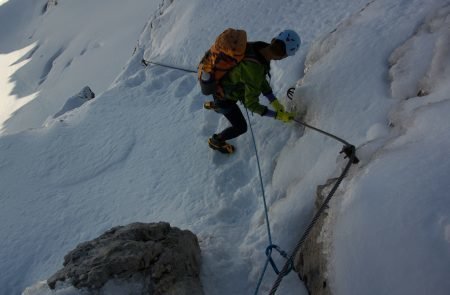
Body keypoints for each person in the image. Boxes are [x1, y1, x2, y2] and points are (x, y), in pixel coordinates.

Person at [204, 29, 301, 154]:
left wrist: (274, 101)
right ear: (284, 56)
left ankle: (216, 105)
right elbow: (251, 104)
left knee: (226, 103)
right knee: (241, 127)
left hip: (222, 83)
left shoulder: (259, 47)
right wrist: (277, 115)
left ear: (273, 40)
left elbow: (259, 77)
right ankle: (216, 141)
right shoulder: (255, 68)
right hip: (224, 97)